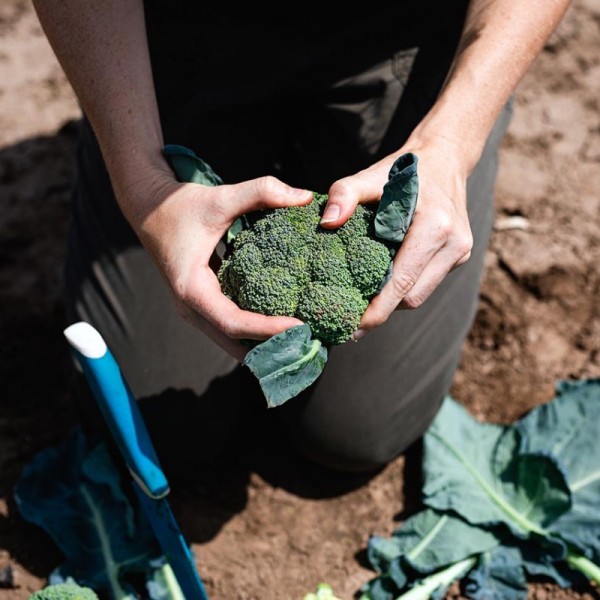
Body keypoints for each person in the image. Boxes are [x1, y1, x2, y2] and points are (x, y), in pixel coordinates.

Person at [33, 1, 571, 481]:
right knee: (158, 430)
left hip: (408, 34)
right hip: (179, 30)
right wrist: (142, 185)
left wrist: (452, 141)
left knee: (355, 433)